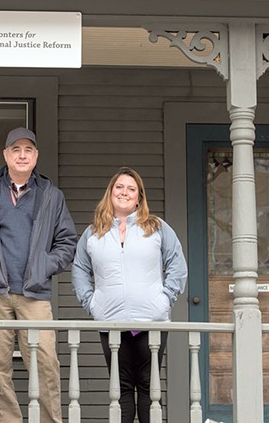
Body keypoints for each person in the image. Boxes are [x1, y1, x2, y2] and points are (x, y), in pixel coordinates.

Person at [0, 127, 77, 423]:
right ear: (6, 155)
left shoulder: (51, 194)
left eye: (28, 150)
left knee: (46, 363)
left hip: (34, 294)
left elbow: (67, 241)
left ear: (36, 156)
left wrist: (45, 267)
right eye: (16, 150)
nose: (22, 155)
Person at [71, 167, 187, 423]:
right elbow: (79, 268)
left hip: (151, 321)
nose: (124, 192)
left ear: (139, 197)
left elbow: (177, 263)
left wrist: (165, 298)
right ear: (110, 193)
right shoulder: (93, 232)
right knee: (122, 390)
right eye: (119, 187)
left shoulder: (156, 227)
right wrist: (92, 303)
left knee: (148, 388)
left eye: (131, 189)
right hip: (110, 322)